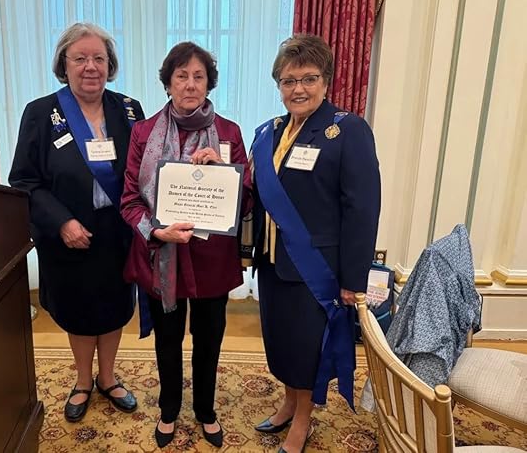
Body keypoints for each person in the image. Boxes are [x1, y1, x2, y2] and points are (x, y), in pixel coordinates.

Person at [251, 34, 381, 453]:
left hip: (317, 271)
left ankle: (303, 420)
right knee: (283, 342)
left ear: (326, 80)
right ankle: (289, 403)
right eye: (288, 81)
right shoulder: (270, 132)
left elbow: (362, 210)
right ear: (279, 85)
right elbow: (256, 192)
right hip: (273, 263)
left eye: (308, 78)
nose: (298, 89)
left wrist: (352, 278)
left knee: (308, 348)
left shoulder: (347, 130)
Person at [9, 23, 145, 423]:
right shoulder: (40, 113)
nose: (91, 66)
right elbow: (25, 181)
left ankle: (108, 377)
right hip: (69, 235)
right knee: (79, 310)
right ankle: (83, 380)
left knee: (116, 307)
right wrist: (61, 222)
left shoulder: (130, 109)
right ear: (63, 65)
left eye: (99, 58)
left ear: (110, 65)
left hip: (116, 232)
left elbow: (147, 168)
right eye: (80, 58)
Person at [120, 41, 252, 449]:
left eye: (198, 76)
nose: (190, 84)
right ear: (168, 83)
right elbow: (129, 199)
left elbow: (246, 199)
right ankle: (169, 408)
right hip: (162, 255)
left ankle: (206, 410)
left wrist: (227, 173)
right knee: (167, 339)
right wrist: (156, 232)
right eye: (182, 76)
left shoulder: (229, 133)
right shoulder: (143, 132)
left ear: (209, 83)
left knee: (209, 339)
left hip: (212, 260)